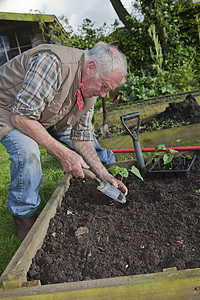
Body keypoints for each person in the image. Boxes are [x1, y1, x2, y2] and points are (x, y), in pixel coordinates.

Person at [0, 42, 128, 241]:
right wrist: (64, 154)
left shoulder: (92, 88)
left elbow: (82, 138)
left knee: (91, 143)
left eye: (107, 89)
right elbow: (22, 117)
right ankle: (23, 215)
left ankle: (108, 169)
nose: (104, 94)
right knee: (28, 151)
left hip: (45, 112)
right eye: (103, 86)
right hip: (8, 107)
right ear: (91, 66)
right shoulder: (53, 63)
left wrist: (104, 175)